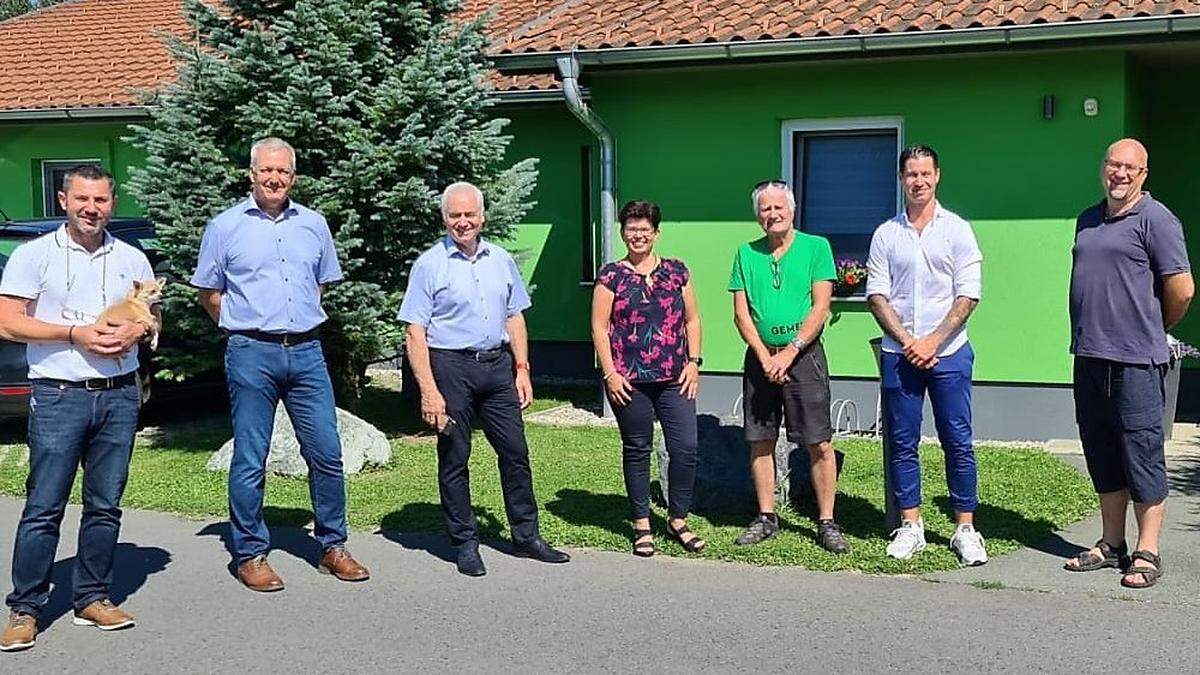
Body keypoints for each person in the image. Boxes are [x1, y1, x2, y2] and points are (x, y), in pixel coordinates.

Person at [192, 137, 369, 592]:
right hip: (251, 352)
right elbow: (209, 292)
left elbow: (320, 285)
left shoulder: (313, 225)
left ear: (293, 177)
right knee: (251, 456)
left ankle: (333, 546)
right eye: (266, 170)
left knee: (327, 454)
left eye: (283, 172)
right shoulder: (225, 226)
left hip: (307, 352)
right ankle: (250, 553)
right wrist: (240, 325)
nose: (274, 178)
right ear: (251, 173)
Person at [0, 165, 156, 652]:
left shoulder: (132, 258)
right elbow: (7, 322)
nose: (93, 209)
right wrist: (74, 334)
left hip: (118, 394)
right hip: (59, 396)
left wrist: (138, 331)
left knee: (105, 505)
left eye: (102, 200)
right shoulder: (33, 255)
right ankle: (25, 607)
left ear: (112, 203)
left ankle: (92, 596)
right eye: (83, 199)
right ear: (64, 200)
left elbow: (154, 318)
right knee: (44, 507)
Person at [399, 181, 570, 576]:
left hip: (496, 367)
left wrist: (523, 369)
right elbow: (415, 332)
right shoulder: (429, 264)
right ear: (444, 219)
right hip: (450, 367)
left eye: (469, 215)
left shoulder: (500, 259)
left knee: (515, 453)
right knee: (456, 456)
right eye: (455, 215)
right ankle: (464, 543)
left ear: (482, 217)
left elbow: (515, 316)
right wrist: (429, 391)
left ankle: (526, 537)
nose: (463, 222)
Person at [1063, 138, 1193, 589]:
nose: (1119, 173)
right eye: (1113, 165)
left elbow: (1182, 288)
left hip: (1137, 361)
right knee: (1102, 453)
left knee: (1142, 455)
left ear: (1143, 174)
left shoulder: (1156, 219)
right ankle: (1111, 542)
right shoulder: (1088, 218)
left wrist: (1154, 328)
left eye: (1129, 168)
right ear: (1104, 169)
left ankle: (1148, 551)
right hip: (1090, 357)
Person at [865, 145, 988, 565]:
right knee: (902, 442)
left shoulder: (958, 230)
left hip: (949, 353)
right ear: (901, 179)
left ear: (937, 176)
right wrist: (907, 341)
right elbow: (877, 295)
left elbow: (969, 293)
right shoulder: (886, 234)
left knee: (957, 440)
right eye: (910, 175)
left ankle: (965, 529)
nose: (918, 181)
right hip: (899, 355)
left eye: (925, 174)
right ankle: (911, 526)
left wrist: (932, 341)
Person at [728, 180, 849, 554]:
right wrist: (765, 356)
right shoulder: (746, 253)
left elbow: (821, 308)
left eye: (778, 207)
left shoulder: (816, 248)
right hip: (760, 358)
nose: (772, 214)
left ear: (792, 210)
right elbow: (741, 312)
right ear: (757, 215)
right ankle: (766, 517)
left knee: (818, 441)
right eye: (765, 209)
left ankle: (827, 521)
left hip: (804, 357)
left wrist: (788, 352)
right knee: (760, 440)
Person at [591, 200, 704, 557]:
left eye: (644, 229)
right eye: (631, 229)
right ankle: (642, 524)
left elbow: (692, 320)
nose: (638, 235)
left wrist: (694, 362)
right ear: (623, 233)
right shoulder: (612, 276)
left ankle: (678, 520)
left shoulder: (676, 272)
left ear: (656, 233)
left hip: (675, 377)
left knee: (685, 448)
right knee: (637, 449)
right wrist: (609, 373)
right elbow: (599, 325)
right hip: (629, 380)